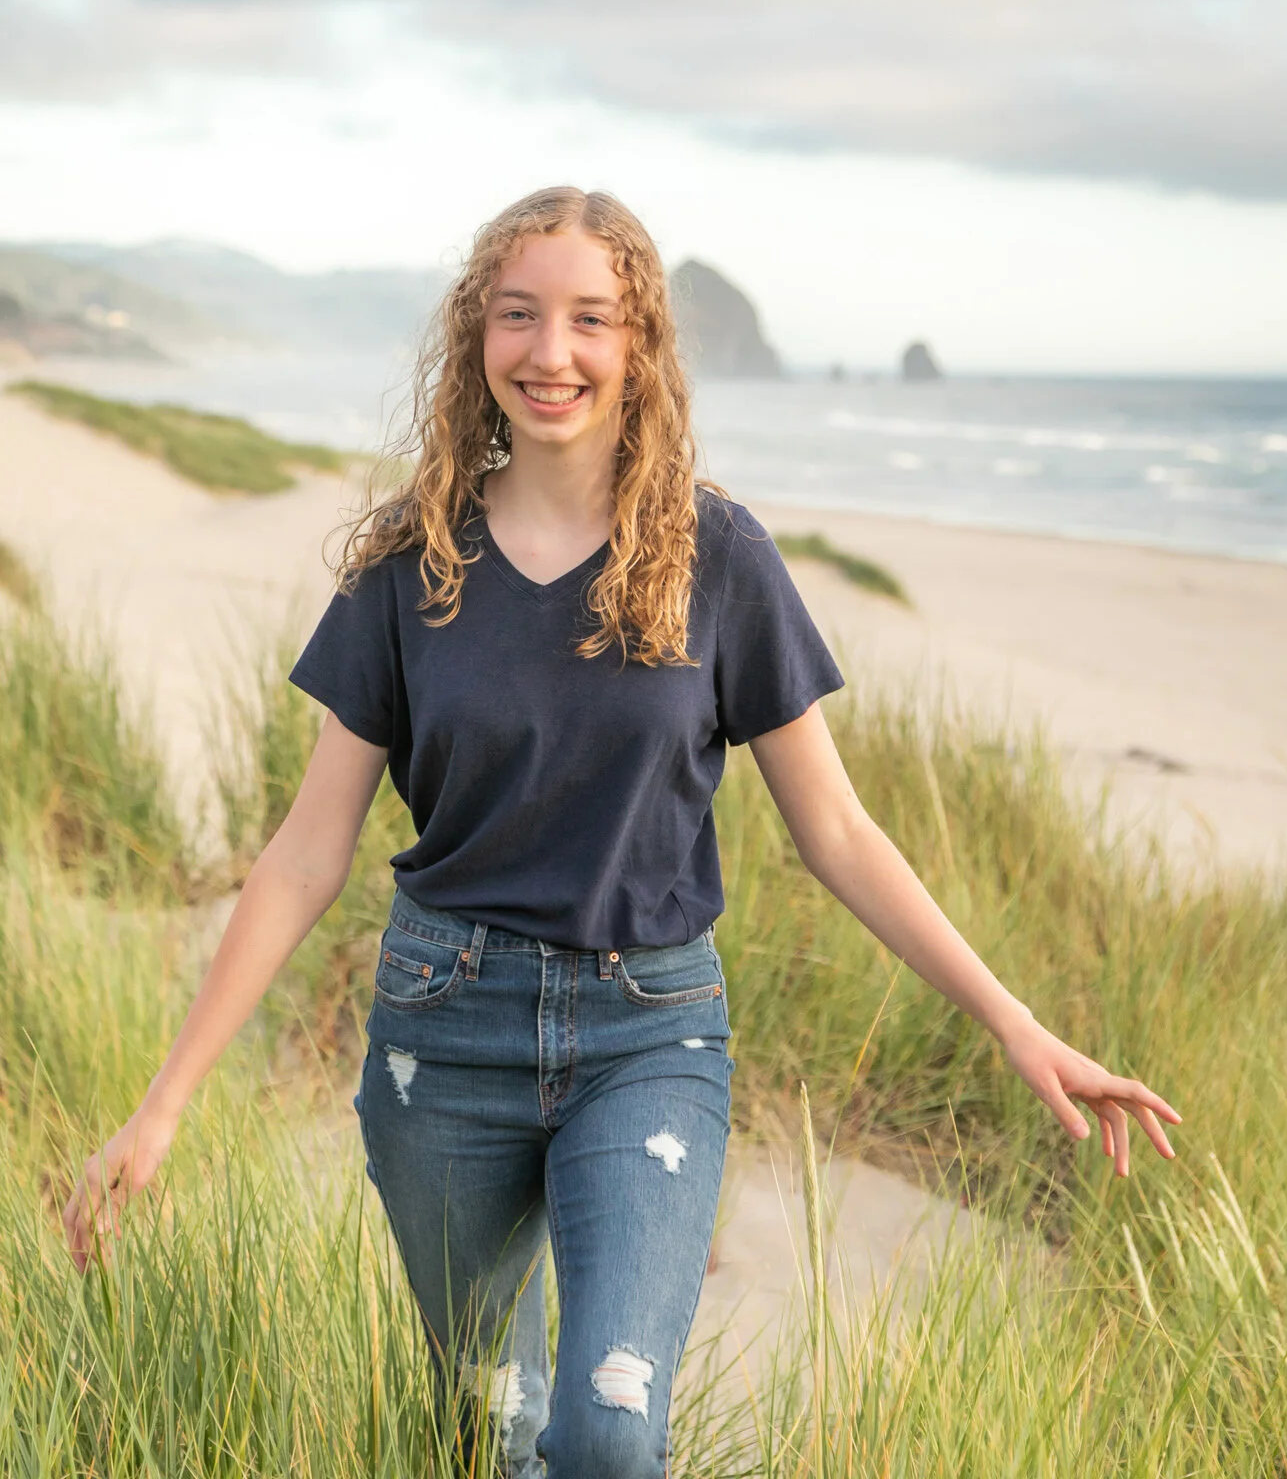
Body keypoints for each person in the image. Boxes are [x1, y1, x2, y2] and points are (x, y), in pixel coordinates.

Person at [62, 185, 1182, 1477]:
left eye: (591, 318)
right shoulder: (409, 564)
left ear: (639, 341)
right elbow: (307, 855)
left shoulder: (718, 554)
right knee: (490, 1426)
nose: (553, 352)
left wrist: (1016, 1024)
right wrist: (162, 1106)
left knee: (605, 1428)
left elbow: (838, 833)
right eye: (519, 314)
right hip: (443, 1031)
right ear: (476, 336)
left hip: (648, 1033)